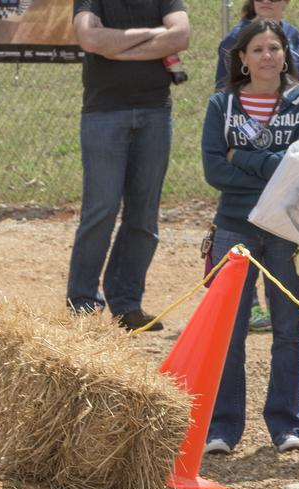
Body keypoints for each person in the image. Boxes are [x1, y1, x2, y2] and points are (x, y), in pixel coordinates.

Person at [200, 20, 299, 456]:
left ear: (286, 56)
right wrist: (275, 167)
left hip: (288, 228)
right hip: (235, 225)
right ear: (242, 58)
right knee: (229, 332)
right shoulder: (221, 105)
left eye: (275, 48)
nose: (267, 55)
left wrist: (243, 157)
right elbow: (215, 171)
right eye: (257, 49)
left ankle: (287, 425)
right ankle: (222, 428)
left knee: (288, 328)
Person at [66, 0, 190, 332]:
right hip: (104, 112)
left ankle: (127, 304)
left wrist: (117, 45)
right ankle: (83, 304)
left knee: (144, 215)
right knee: (101, 210)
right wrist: (152, 36)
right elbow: (90, 40)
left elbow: (180, 35)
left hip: (154, 112)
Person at [214, 0, 299, 334]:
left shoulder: (293, 35)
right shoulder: (234, 39)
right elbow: (227, 99)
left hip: (282, 151)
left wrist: (284, 147)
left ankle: (281, 300)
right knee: (244, 224)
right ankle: (250, 302)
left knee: (279, 228)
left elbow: (298, 96)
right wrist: (261, 140)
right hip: (248, 146)